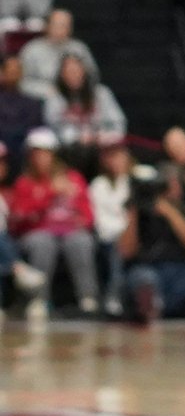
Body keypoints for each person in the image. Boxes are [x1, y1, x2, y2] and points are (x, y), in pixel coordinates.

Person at [120, 154, 185, 324]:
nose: (172, 189)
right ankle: (156, 305)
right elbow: (125, 251)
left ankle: (157, 306)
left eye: (175, 183)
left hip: (181, 272)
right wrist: (134, 212)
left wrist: (170, 212)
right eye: (168, 184)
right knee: (143, 278)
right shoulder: (142, 213)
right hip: (150, 270)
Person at [10, 130, 99, 318]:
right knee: (43, 243)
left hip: (70, 230)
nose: (41, 159)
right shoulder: (25, 183)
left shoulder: (73, 178)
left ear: (54, 154)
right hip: (38, 232)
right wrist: (50, 194)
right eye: (36, 154)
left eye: (45, 153)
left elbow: (89, 215)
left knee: (81, 242)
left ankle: (87, 299)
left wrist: (81, 219)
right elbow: (18, 219)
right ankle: (38, 300)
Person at [44, 55, 126, 152]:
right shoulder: (55, 98)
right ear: (62, 75)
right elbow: (53, 128)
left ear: (84, 72)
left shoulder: (101, 93)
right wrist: (77, 137)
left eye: (76, 71)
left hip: (104, 146)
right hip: (70, 149)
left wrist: (105, 136)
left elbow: (118, 122)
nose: (73, 75)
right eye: (68, 72)